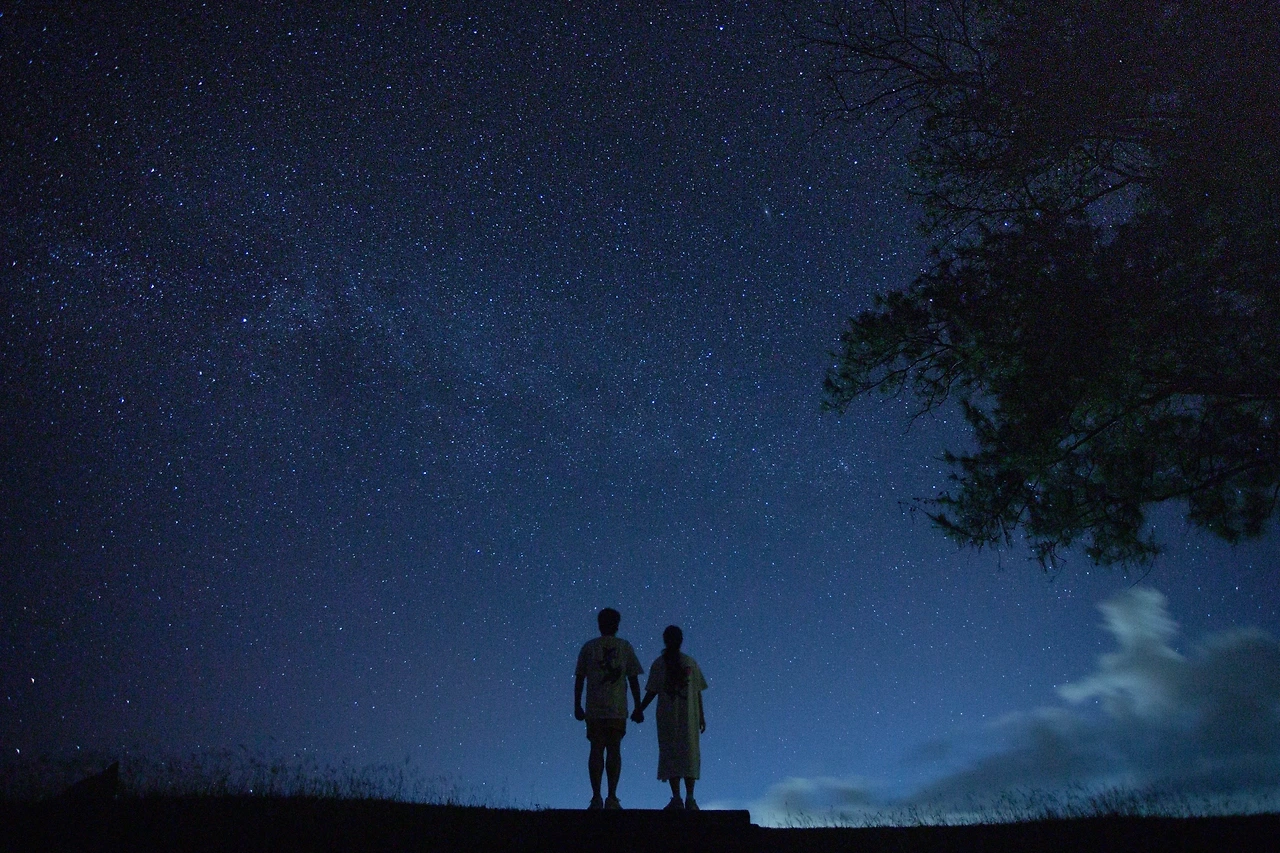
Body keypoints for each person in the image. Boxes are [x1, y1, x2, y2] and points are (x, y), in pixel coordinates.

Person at [574, 607, 644, 810]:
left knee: (596, 750)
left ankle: (597, 797)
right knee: (613, 750)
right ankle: (611, 797)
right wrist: (638, 705)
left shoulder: (589, 647)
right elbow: (633, 679)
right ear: (617, 625)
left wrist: (577, 704)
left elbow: (580, 678)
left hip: (595, 707)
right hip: (616, 707)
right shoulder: (624, 647)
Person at [634, 624, 708, 811]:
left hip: (669, 717)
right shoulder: (688, 662)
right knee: (688, 753)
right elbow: (697, 691)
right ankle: (689, 798)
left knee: (672, 752)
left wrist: (640, 709)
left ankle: (678, 798)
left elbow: (652, 691)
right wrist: (701, 716)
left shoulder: (661, 663)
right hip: (688, 717)